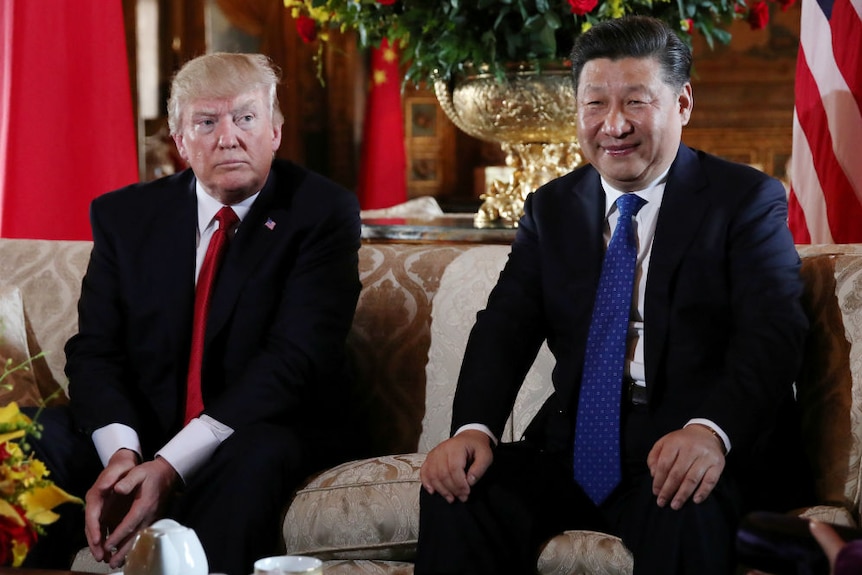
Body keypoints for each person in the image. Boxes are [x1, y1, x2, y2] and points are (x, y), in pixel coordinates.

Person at [415, 16, 812, 575]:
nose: (613, 125)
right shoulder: (551, 208)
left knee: (687, 508)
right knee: (458, 495)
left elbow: (774, 331)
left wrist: (711, 431)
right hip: (576, 444)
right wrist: (473, 428)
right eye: (595, 104)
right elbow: (504, 324)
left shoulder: (745, 200)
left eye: (636, 102)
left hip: (688, 440)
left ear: (683, 104)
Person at [24, 52, 363, 575]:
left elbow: (295, 361)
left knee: (254, 457)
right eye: (207, 122)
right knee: (31, 439)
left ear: (274, 130)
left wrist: (170, 465)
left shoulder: (321, 211)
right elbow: (95, 351)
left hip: (260, 424)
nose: (228, 137)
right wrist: (122, 456)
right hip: (144, 430)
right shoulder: (125, 216)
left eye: (246, 118)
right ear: (181, 142)